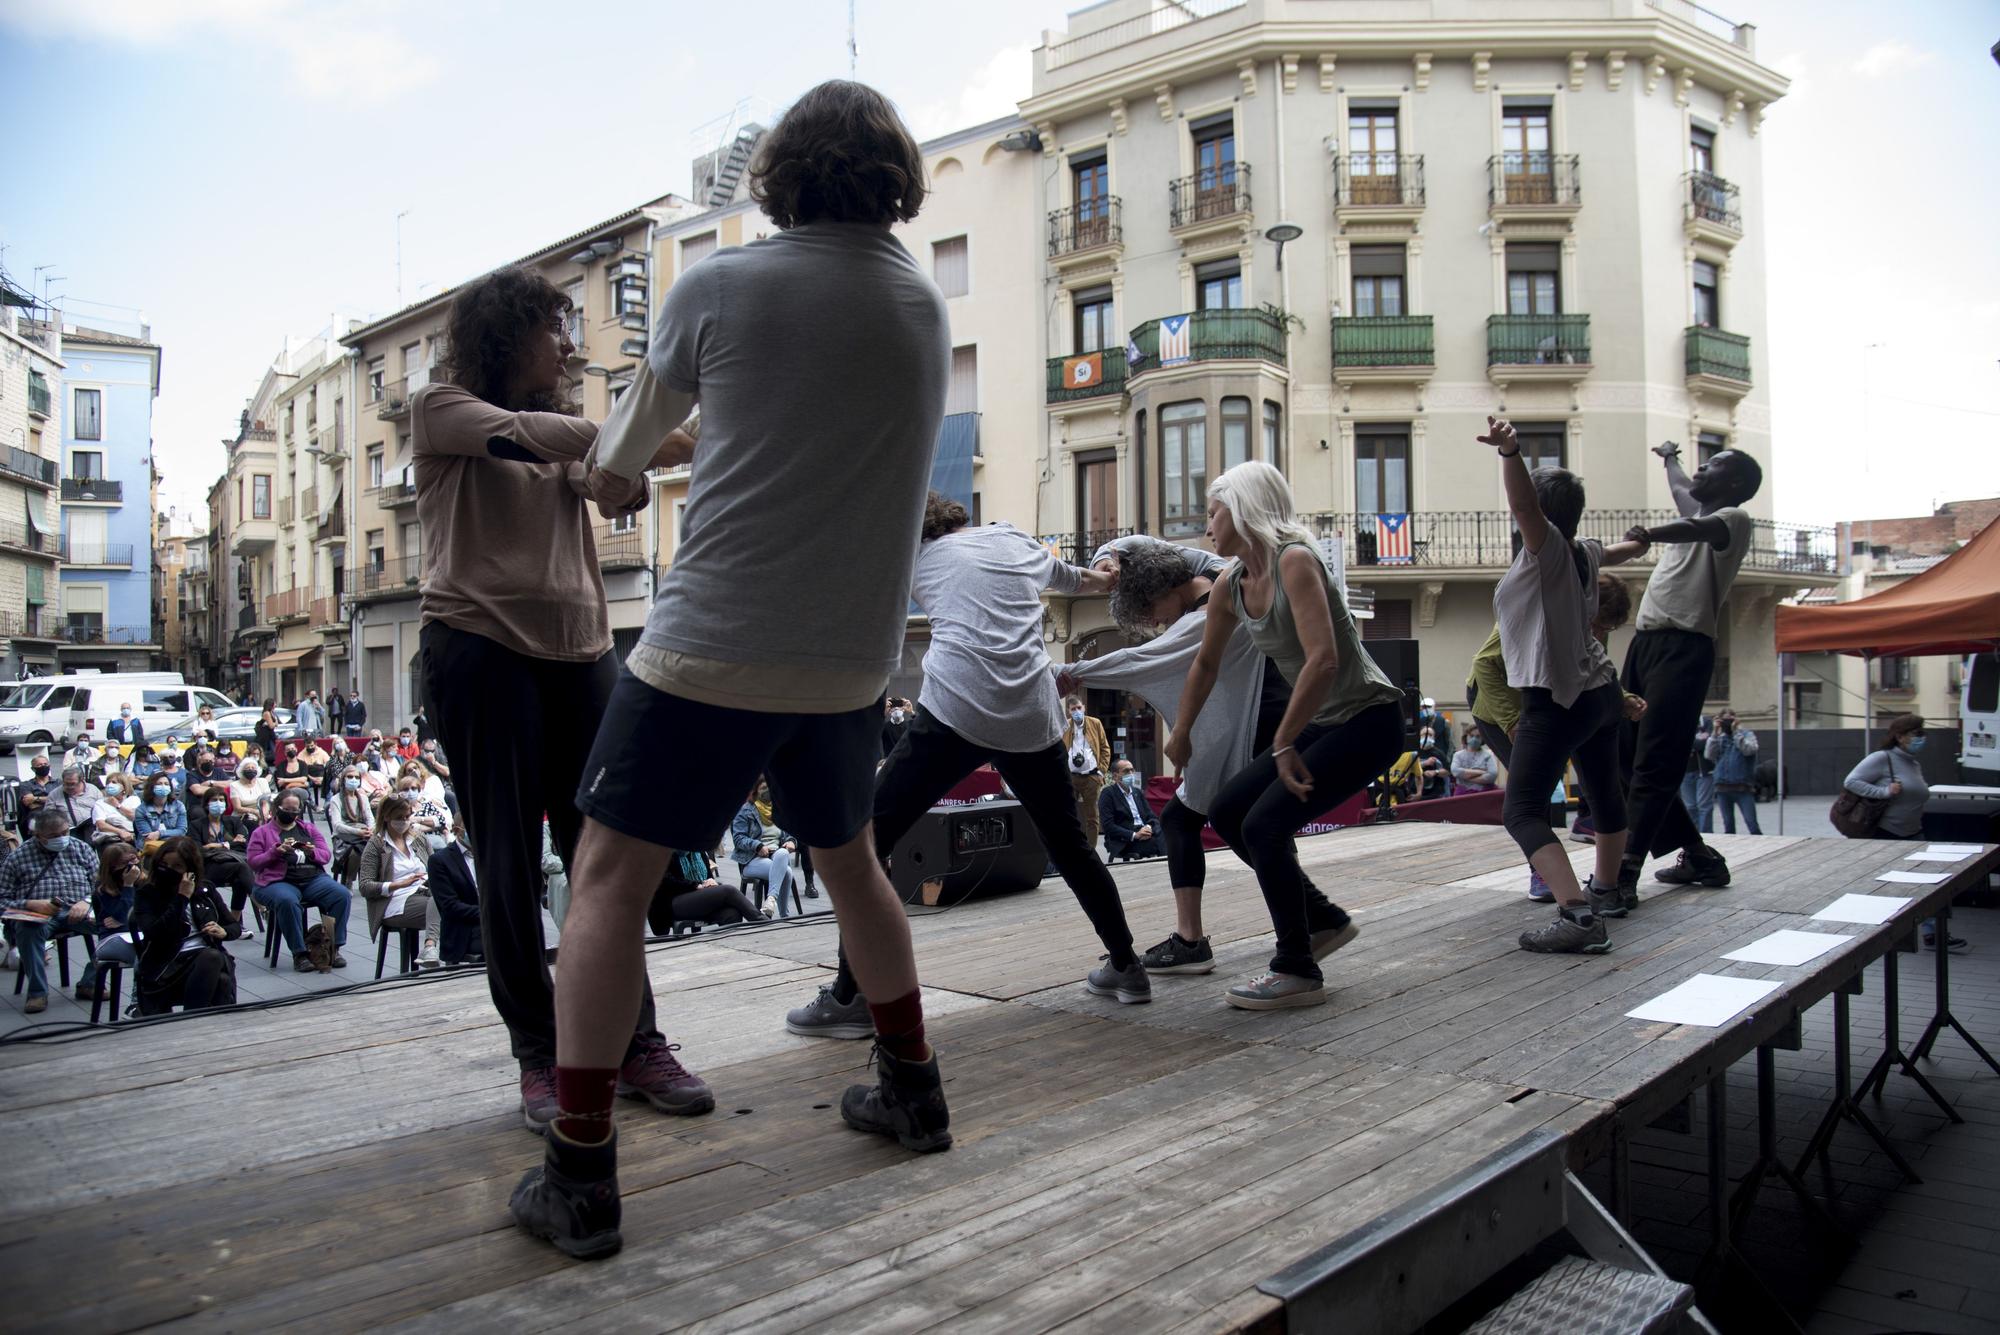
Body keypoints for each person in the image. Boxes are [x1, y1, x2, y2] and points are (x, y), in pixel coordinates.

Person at [518, 82, 953, 1259]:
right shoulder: (920, 304)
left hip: (712, 646)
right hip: (849, 663)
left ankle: (580, 1174)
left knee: (604, 881)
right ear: (895, 181)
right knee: (850, 864)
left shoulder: (716, 285)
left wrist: (617, 466)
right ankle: (911, 1087)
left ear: (780, 178)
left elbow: (614, 469)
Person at [412, 255, 697, 1149]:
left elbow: (609, 480)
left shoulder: (563, 427)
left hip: (582, 653)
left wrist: (632, 464)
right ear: (507, 334)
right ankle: (540, 1052)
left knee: (604, 858)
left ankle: (631, 1042)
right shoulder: (444, 409)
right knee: (506, 857)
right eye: (554, 326)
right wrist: (636, 439)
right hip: (479, 647)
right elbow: (548, 441)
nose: (568, 342)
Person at [786, 496, 1136, 1037]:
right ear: (961, 521)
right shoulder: (1012, 539)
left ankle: (851, 996)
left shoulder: (911, 560)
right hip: (1029, 712)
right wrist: (1111, 573)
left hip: (956, 708)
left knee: (867, 838)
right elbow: (1086, 582)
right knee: (1068, 844)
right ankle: (1127, 966)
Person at [1170, 462, 1407, 1007]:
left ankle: (1297, 966)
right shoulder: (1232, 582)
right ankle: (1321, 919)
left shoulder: (1295, 561)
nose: (1208, 526)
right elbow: (1205, 664)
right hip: (1322, 724)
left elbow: (1322, 661)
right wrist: (1181, 730)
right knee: (1228, 811)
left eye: (1215, 512)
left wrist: (1282, 744)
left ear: (1246, 508)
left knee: (1265, 825)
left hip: (1368, 719)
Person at [1070, 532, 1346, 976]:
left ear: (1160, 589)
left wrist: (1071, 673)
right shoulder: (1217, 572)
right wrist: (1109, 559)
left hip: (1266, 719)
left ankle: (1305, 925)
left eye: (1151, 612)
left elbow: (1145, 659)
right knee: (1240, 823)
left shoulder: (1208, 608)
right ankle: (1295, 926)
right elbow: (1153, 548)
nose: (1156, 623)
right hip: (1271, 711)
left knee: (1245, 824)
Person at [1475, 419, 1651, 954]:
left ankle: (1576, 916)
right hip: (1599, 694)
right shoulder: (1584, 552)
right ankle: (1605, 891)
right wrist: (1639, 543)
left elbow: (1526, 509)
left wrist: (1510, 452)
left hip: (1555, 700)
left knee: (1522, 810)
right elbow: (1620, 553)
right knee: (1604, 795)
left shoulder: (1547, 549)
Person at [1615, 441, 1764, 899]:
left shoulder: (1733, 520)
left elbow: (1694, 523)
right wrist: (1669, 460)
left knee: (1654, 762)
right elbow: (1684, 492)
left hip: (1684, 648)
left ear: (1735, 483)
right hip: (1645, 646)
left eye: (1714, 464)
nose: (1702, 468)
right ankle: (1699, 854)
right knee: (1622, 754)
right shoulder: (1700, 511)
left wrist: (1647, 536)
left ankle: (1623, 875)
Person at [1842, 714, 1963, 952]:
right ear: (1900, 736)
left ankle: (1933, 933)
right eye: (1916, 734)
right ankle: (1883, 938)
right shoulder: (1882, 758)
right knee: (1890, 888)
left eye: (1923, 733)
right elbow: (1852, 781)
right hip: (1887, 834)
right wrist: (1885, 791)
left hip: (1914, 833)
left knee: (1929, 884)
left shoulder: (1912, 762)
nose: (1922, 738)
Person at [0, 808, 100, 1012]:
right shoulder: (18, 857)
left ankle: (90, 982)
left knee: (116, 926)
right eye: (54, 836)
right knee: (27, 930)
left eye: (65, 833)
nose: (62, 838)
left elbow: (101, 884)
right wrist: (30, 904)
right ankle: (38, 992)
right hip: (39, 913)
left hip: (79, 908)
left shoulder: (81, 847)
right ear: (38, 836)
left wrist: (87, 900)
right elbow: (2, 900)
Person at [131, 836, 239, 1015]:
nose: (169, 870)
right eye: (165, 864)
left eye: (177, 866)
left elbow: (234, 927)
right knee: (215, 962)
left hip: (203, 963)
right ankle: (194, 1020)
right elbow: (154, 934)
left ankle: (201, 1024)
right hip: (167, 963)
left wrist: (224, 932)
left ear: (190, 870)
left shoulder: (205, 890)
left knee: (218, 972)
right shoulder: (148, 894)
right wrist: (181, 898)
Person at [248, 789, 352, 973]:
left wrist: (312, 852)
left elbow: (325, 855)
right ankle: (300, 953)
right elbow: (254, 863)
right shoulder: (261, 833)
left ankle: (332, 947)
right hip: (276, 881)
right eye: (287, 809)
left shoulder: (308, 829)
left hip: (311, 879)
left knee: (341, 895)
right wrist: (275, 852)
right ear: (276, 808)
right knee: (287, 901)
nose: (291, 813)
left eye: (295, 810)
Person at [357, 794, 443, 970]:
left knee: (452, 898)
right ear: (387, 817)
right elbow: (365, 886)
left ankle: (448, 951)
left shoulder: (418, 838)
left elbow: (436, 868)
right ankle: (430, 947)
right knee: (443, 903)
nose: (404, 822)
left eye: (407, 817)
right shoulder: (376, 844)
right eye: (399, 818)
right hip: (394, 900)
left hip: (424, 892)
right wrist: (398, 884)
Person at [75, 844, 141, 1003]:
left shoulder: (146, 881)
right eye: (125, 863)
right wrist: (128, 886)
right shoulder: (103, 889)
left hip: (137, 933)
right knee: (144, 953)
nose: (132, 866)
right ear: (113, 867)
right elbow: (122, 914)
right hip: (113, 938)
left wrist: (128, 919)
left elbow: (149, 912)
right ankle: (137, 1001)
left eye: (134, 859)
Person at [647, 848, 765, 934]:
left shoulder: (698, 851)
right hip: (670, 903)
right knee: (729, 891)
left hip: (697, 898)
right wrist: (696, 885)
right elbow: (664, 881)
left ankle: (726, 955)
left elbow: (708, 877)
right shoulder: (664, 848)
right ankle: (762, 923)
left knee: (731, 914)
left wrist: (710, 882)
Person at [190, 790, 256, 936]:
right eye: (214, 800)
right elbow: (198, 850)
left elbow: (242, 845)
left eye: (221, 800)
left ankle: (234, 922)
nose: (218, 803)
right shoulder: (196, 825)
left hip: (232, 862)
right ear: (206, 804)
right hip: (208, 867)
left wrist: (214, 845)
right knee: (242, 869)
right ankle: (258, 900)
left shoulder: (233, 821)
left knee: (240, 878)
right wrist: (228, 844)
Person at [731, 784, 799, 918]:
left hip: (776, 855)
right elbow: (738, 838)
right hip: (752, 859)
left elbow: (789, 832)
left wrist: (791, 841)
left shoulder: (778, 809)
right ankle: (784, 916)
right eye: (763, 788)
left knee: (783, 853)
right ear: (755, 790)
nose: (767, 791)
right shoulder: (745, 810)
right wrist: (757, 846)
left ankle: (770, 901)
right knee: (786, 871)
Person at [425, 820, 484, 968]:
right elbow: (450, 907)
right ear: (458, 830)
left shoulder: (490, 854)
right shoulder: (440, 860)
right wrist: (488, 913)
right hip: (463, 931)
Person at [1061, 693, 1111, 853]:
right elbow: (1061, 751)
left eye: (1078, 708)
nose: (1076, 711)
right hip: (1071, 777)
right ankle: (1072, 849)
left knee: (1092, 817)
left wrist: (1101, 772)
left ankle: (1091, 851)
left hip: (1091, 777)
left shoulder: (1095, 723)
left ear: (1084, 708)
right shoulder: (1065, 726)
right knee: (1068, 815)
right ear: (1068, 711)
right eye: (1073, 709)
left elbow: (1105, 749)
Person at [1707, 708, 1761, 835]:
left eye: (1730, 719)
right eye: (1724, 720)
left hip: (1743, 788)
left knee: (1752, 824)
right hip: (1722, 788)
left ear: (1735, 720)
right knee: (1728, 826)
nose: (1727, 723)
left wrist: (1736, 731)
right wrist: (1715, 731)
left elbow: (1750, 750)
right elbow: (1709, 754)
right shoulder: (1719, 738)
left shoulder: (1747, 735)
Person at [1098, 760, 1162, 861]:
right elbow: (1108, 826)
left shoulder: (1137, 792)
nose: (1131, 774)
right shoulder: (1108, 794)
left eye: (1132, 770)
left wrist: (1148, 828)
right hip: (1125, 840)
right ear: (1115, 776)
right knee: (1160, 844)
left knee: (1168, 835)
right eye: (1126, 771)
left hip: (1145, 833)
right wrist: (1135, 835)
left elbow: (1152, 817)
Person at [327, 764, 376, 884]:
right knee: (356, 850)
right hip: (343, 837)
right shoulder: (336, 799)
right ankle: (348, 880)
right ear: (343, 779)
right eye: (350, 777)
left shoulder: (363, 798)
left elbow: (370, 818)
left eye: (356, 777)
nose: (353, 780)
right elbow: (337, 826)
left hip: (363, 833)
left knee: (382, 846)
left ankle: (376, 880)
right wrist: (358, 832)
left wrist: (370, 829)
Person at [1681, 717, 1720, 834]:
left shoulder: (1707, 723)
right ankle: (1694, 836)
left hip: (1704, 772)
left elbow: (1703, 745)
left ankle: (1707, 836)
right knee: (1690, 807)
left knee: (1704, 806)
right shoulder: (1679, 721)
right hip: (1685, 772)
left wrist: (1690, 740)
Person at [133, 772, 188, 845]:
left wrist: (160, 833)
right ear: (151, 787)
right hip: (150, 847)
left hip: (173, 846)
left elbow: (182, 831)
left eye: (166, 784)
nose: (163, 786)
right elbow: (149, 837)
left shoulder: (179, 806)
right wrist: (171, 834)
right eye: (159, 784)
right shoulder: (141, 810)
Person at [53, 766, 103, 844]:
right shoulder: (54, 794)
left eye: (72, 784)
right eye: (66, 784)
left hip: (92, 827)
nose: (69, 787)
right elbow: (49, 816)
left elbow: (103, 807)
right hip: (70, 830)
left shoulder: (93, 790)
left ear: (81, 780)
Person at [91, 773, 140, 848]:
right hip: (112, 838)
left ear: (124, 786)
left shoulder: (133, 799)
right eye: (108, 783)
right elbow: (101, 825)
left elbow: (135, 817)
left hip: (133, 836)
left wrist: (118, 806)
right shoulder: (100, 803)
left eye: (114, 782)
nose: (110, 785)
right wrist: (121, 832)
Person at [1451, 724, 1500, 794]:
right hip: (1462, 794)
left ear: (1482, 738)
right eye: (1471, 736)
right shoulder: (1458, 755)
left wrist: (1466, 777)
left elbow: (1492, 775)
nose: (1474, 739)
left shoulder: (1488, 754)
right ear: (1466, 737)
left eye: (1478, 736)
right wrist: (1481, 772)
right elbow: (1456, 771)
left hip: (1485, 793)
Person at [17, 754, 56, 839]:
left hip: (56, 815)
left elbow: (59, 800)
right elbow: (29, 803)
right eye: (39, 765)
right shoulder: (26, 784)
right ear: (33, 769)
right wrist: (51, 800)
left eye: (45, 764)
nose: (43, 766)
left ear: (49, 766)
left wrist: (35, 798)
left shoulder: (58, 783)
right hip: (36, 817)